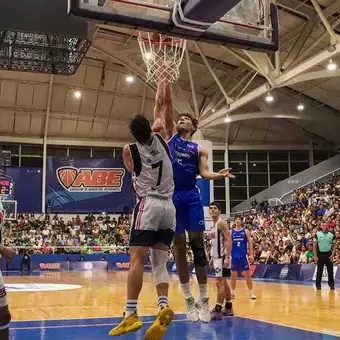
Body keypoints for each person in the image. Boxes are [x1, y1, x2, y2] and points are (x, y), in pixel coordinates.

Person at [152, 81, 235, 323]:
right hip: (172, 198)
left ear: (194, 126)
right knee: (178, 246)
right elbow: (164, 106)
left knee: (197, 245)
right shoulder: (169, 138)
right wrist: (164, 82)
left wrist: (218, 174)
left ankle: (204, 299)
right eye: (181, 118)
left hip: (191, 197)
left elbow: (204, 172)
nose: (182, 120)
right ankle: (188, 300)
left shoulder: (198, 149)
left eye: (187, 119)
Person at [109, 114, 176, 339]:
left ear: (134, 135)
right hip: (169, 207)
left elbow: (131, 170)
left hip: (148, 204)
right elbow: (162, 108)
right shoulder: (162, 137)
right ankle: (162, 306)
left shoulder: (128, 150)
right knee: (160, 263)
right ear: (151, 129)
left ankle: (130, 313)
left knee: (136, 260)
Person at [208, 202, 234, 321]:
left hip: (222, 257)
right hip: (217, 258)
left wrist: (227, 256)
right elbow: (214, 244)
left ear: (219, 211)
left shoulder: (221, 223)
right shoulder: (213, 226)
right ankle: (228, 307)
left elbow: (229, 239)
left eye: (215, 208)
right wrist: (212, 258)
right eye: (211, 208)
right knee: (224, 282)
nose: (212, 210)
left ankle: (218, 310)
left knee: (220, 282)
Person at [230, 216, 256, 300]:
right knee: (233, 275)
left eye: (239, 219)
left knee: (247, 275)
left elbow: (250, 243)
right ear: (234, 222)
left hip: (243, 256)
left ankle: (251, 293)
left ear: (241, 222)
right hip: (233, 256)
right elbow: (228, 244)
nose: (237, 221)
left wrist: (251, 254)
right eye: (236, 219)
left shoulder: (245, 231)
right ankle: (232, 292)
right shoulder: (231, 232)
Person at [313, 222, 336, 290]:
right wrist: (315, 256)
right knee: (319, 271)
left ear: (328, 226)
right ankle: (318, 285)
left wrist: (333, 254)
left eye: (326, 225)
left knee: (330, 271)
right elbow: (314, 246)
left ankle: (331, 285)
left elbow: (334, 245)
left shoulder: (332, 235)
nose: (325, 227)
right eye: (324, 225)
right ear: (321, 226)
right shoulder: (317, 234)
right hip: (320, 254)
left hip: (329, 254)